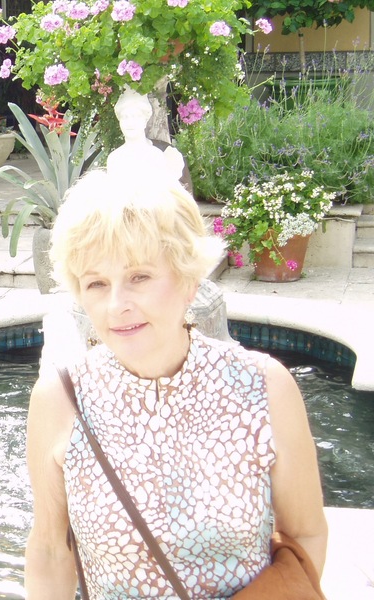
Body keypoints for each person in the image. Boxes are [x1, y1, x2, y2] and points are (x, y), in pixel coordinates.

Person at [24, 169, 327, 598]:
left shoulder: (264, 387)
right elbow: (50, 551)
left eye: (139, 277)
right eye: (96, 283)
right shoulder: (60, 398)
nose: (116, 305)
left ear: (187, 279)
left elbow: (305, 533)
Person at [105, 88, 185, 185]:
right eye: (125, 117)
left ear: (145, 120)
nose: (130, 123)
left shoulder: (156, 156)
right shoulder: (115, 158)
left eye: (136, 116)